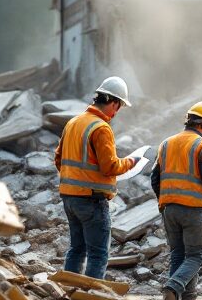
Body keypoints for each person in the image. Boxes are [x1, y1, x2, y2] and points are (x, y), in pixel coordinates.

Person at [54, 76, 139, 280]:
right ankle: (91, 295)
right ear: (114, 103)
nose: (117, 112)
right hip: (91, 200)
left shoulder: (73, 122)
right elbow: (110, 166)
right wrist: (131, 162)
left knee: (76, 249)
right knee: (98, 254)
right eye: (119, 107)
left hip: (69, 198)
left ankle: (67, 291)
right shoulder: (100, 128)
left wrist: (74, 179)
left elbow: (58, 158)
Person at [151, 101, 202, 300]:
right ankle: (173, 287)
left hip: (169, 209)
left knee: (179, 254)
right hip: (193, 210)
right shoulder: (201, 146)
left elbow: (154, 178)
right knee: (196, 255)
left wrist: (163, 200)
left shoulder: (165, 144)